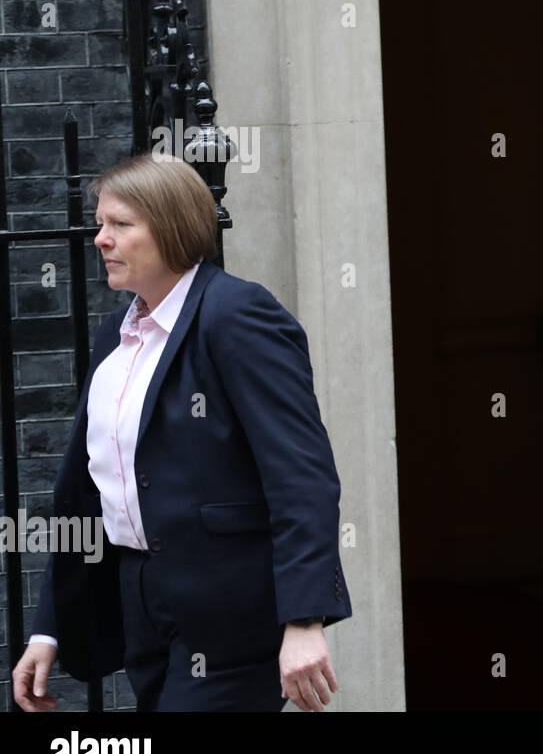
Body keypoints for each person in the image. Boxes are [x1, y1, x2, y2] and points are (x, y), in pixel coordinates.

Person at [11, 154, 351, 712]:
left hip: (232, 614)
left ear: (170, 226)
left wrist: (304, 618)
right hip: (142, 606)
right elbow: (88, 490)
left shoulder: (236, 314)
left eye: (120, 225)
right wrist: (48, 629)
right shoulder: (116, 337)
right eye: (100, 224)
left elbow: (301, 475)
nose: (101, 240)